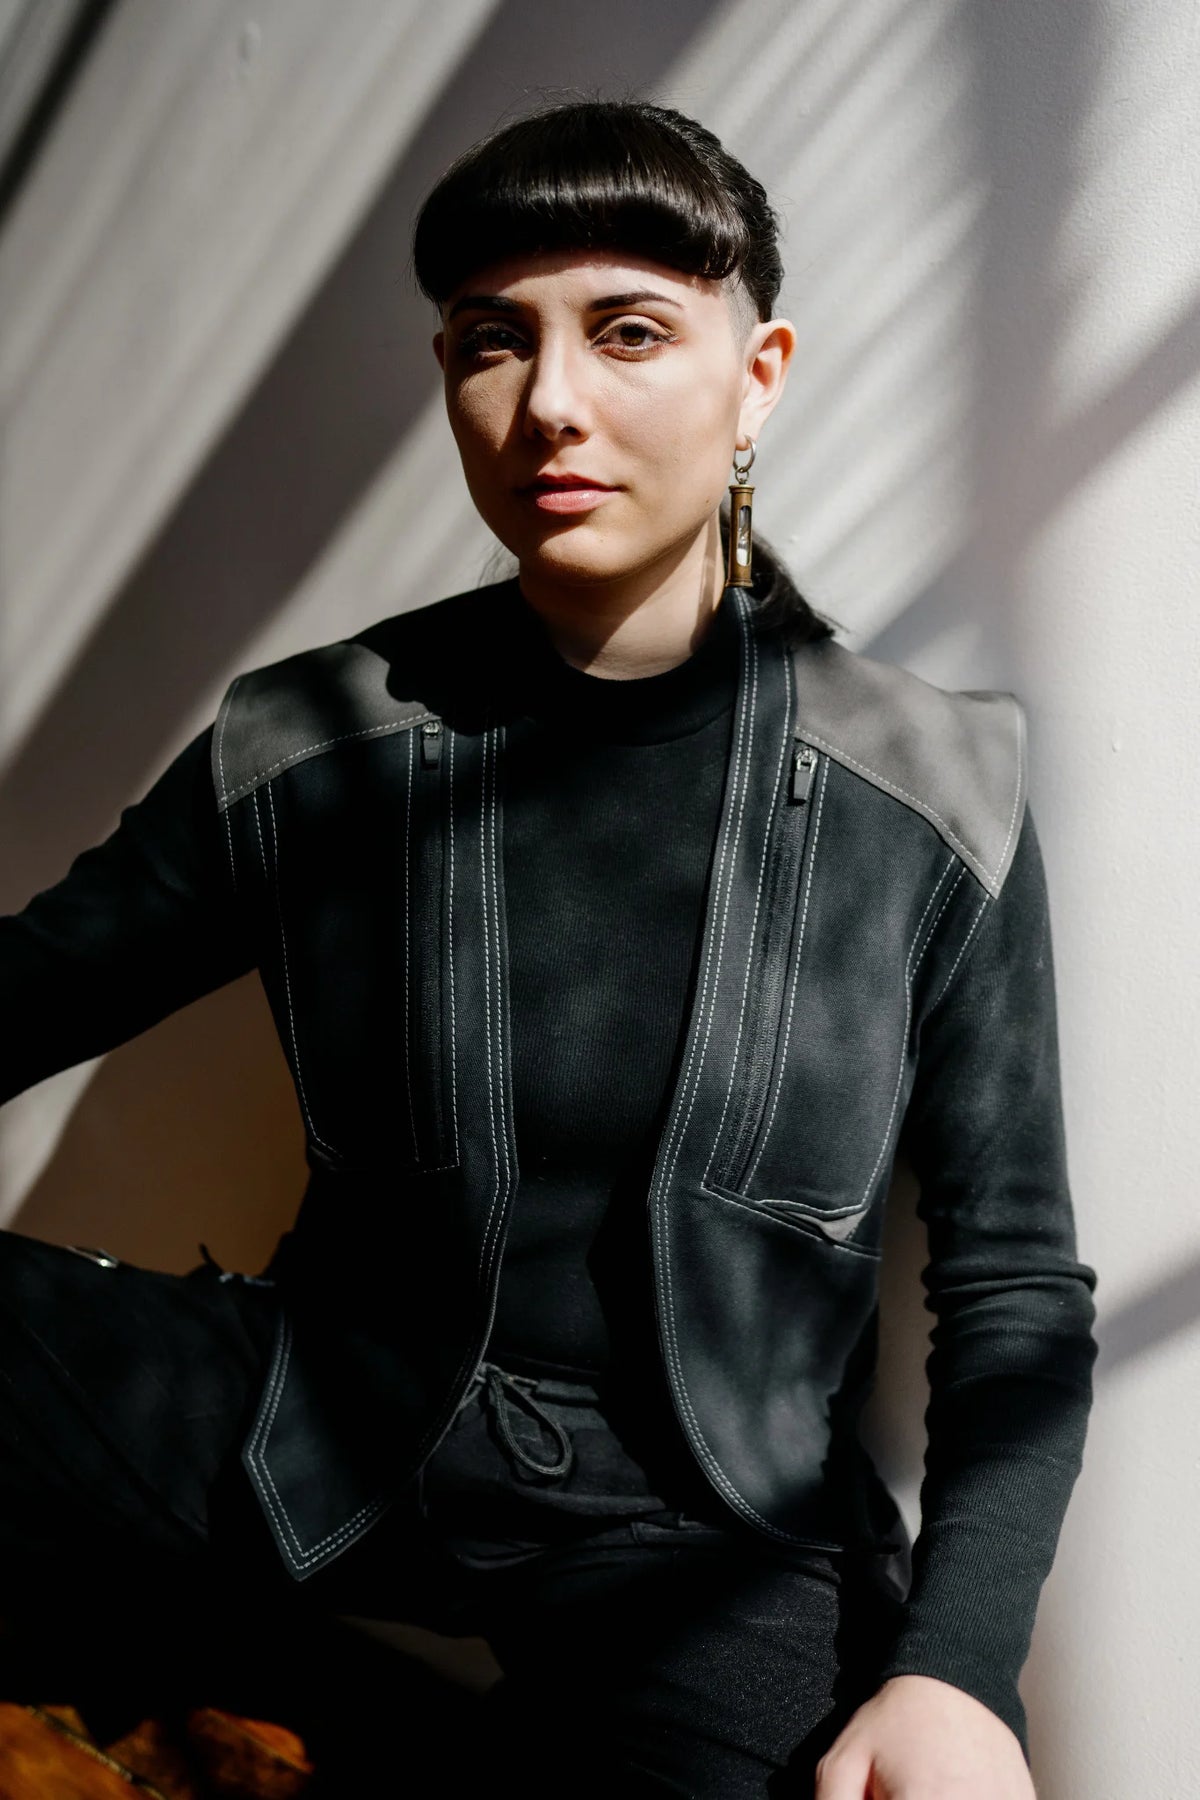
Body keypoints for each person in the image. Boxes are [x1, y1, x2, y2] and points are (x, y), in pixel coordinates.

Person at [0, 97, 1098, 1797]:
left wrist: (959, 1671)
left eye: (629, 331)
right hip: (320, 1432)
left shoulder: (935, 789)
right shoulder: (313, 742)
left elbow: (1014, 1282)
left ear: (759, 376)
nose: (550, 403)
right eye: (491, 341)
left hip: (708, 1530)